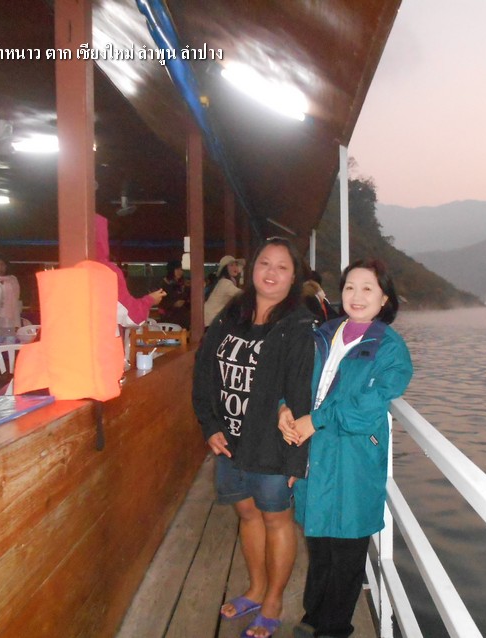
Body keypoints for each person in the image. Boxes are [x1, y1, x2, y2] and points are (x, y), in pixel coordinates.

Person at [280, 259, 413, 638]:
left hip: (354, 459)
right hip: (313, 455)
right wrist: (284, 409)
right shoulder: (323, 333)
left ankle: (334, 628)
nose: (357, 295)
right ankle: (314, 615)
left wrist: (316, 420)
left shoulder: (390, 348)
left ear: (384, 298)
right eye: (350, 286)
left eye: (368, 288)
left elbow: (367, 410)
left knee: (347, 550)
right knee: (319, 542)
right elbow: (293, 380)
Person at [192, 238, 315, 638]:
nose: (271, 272)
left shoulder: (298, 325)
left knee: (277, 520)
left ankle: (274, 600)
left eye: (282, 266)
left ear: (294, 277)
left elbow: (300, 394)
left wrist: (296, 457)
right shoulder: (232, 313)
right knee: (247, 514)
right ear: (251, 269)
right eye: (265, 263)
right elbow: (204, 370)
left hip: (272, 445)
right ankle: (257, 589)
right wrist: (210, 425)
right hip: (229, 441)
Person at [94, 215, 165, 326]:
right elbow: (132, 317)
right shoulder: (107, 272)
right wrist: (150, 300)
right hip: (100, 335)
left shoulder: (66, 271)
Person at [203, 255, 244, 327]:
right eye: (231, 265)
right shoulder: (225, 282)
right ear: (225, 268)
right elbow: (241, 294)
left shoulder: (223, 280)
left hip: (211, 319)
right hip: (211, 321)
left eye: (236, 265)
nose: (235, 267)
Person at [159, 260, 190, 328]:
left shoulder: (184, 283)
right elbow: (160, 302)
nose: (180, 272)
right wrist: (173, 304)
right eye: (177, 269)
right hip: (169, 319)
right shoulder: (163, 283)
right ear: (171, 270)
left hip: (184, 318)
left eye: (181, 270)